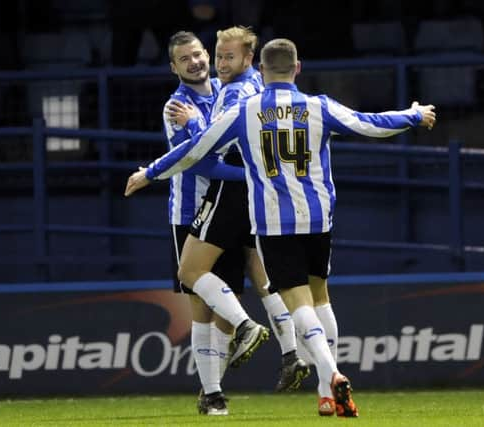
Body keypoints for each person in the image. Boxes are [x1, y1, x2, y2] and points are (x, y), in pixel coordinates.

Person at [125, 38, 436, 417]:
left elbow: (195, 150)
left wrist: (150, 172)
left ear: (261, 70)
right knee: (321, 297)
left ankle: (329, 371)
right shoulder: (318, 106)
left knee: (296, 300)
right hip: (320, 218)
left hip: (273, 222)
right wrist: (413, 114)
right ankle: (324, 392)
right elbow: (370, 125)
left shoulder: (246, 110)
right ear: (297, 68)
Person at [151, 27, 309, 413]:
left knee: (232, 293)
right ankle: (215, 392)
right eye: (185, 58)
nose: (199, 62)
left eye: (201, 54)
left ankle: (256, 356)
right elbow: (198, 161)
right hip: (191, 211)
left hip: (231, 206)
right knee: (204, 308)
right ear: (174, 67)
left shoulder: (235, 89)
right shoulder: (177, 106)